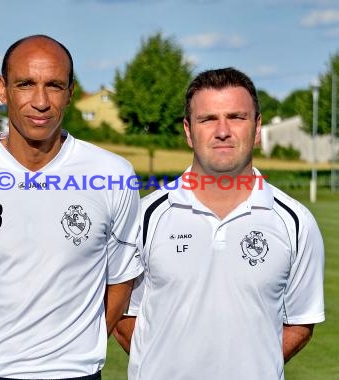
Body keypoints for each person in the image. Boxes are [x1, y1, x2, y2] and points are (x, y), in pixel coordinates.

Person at [0, 35, 143, 380]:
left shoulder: (113, 175)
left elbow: (122, 278)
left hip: (77, 373)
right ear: (3, 89)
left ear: (70, 93)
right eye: (25, 84)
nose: (40, 101)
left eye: (53, 86)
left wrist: (80, 346)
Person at [114, 67, 325, 379]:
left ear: (256, 128)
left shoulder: (295, 222)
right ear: (188, 130)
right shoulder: (143, 217)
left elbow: (300, 321)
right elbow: (122, 317)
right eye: (208, 119)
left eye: (237, 117)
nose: (223, 131)